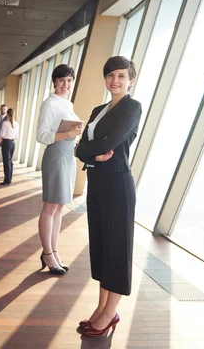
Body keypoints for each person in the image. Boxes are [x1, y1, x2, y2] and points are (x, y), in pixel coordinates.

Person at [74, 56, 142, 337]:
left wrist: (91, 149)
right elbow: (81, 148)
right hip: (97, 183)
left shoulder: (132, 108)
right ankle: (101, 307)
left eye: (122, 76)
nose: (115, 80)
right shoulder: (99, 109)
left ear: (131, 80)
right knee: (101, 247)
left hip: (117, 185)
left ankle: (111, 312)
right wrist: (91, 152)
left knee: (116, 249)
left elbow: (109, 144)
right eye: (111, 75)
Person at [36, 64, 83, 275]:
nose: (66, 84)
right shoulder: (50, 104)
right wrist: (67, 134)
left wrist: (75, 136)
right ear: (54, 81)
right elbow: (42, 135)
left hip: (67, 155)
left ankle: (53, 251)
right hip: (55, 155)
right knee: (50, 207)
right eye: (62, 80)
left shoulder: (67, 103)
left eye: (70, 80)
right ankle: (47, 253)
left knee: (59, 208)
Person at [0, 108, 19, 186]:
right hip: (13, 143)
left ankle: (6, 180)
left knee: (6, 162)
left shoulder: (5, 123)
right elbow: (17, 135)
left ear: (7, 114)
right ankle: (9, 179)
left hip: (6, 143)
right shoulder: (16, 124)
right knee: (10, 161)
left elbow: (2, 135)